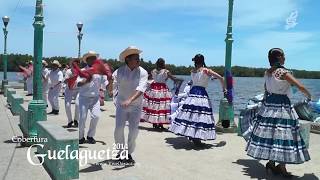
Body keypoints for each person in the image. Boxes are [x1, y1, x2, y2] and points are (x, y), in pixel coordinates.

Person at [245, 48, 311, 177]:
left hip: (269, 106)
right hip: (281, 106)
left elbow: (265, 88)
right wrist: (309, 96)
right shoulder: (283, 72)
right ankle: (281, 168)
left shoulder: (268, 72)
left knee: (271, 135)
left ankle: (272, 163)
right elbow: (300, 86)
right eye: (283, 55)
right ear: (279, 57)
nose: (285, 57)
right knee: (284, 135)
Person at [169, 54, 225, 146]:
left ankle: (192, 134)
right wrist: (224, 89)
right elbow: (221, 78)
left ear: (195, 62)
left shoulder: (193, 71)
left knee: (190, 115)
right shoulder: (207, 70)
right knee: (200, 115)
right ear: (203, 61)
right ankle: (196, 137)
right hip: (201, 93)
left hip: (192, 93)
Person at [111, 46, 148, 164]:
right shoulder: (119, 71)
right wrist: (109, 84)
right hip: (121, 105)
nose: (139, 61)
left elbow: (141, 89)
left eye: (139, 58)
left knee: (133, 131)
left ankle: (128, 153)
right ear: (128, 59)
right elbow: (111, 88)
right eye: (136, 59)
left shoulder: (143, 72)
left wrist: (130, 100)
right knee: (118, 129)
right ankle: (121, 151)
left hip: (136, 106)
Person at [77, 51, 109, 144]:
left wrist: (110, 83)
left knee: (96, 116)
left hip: (95, 98)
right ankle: (80, 137)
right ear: (87, 60)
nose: (94, 60)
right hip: (83, 98)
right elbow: (78, 84)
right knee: (82, 118)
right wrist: (86, 80)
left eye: (95, 58)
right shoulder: (82, 71)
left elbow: (105, 83)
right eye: (91, 58)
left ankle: (90, 135)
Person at [141, 58, 179, 129]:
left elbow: (148, 78)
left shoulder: (153, 71)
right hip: (162, 88)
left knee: (154, 105)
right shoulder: (165, 71)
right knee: (162, 106)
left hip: (153, 89)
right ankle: (160, 124)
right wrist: (178, 80)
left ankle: (155, 123)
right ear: (163, 64)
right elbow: (173, 78)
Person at [64, 59, 80, 128]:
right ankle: (70, 121)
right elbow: (65, 81)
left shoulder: (81, 71)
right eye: (73, 63)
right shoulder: (68, 71)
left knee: (77, 104)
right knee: (67, 105)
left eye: (77, 63)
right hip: (69, 89)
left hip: (78, 90)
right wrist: (72, 77)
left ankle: (76, 120)